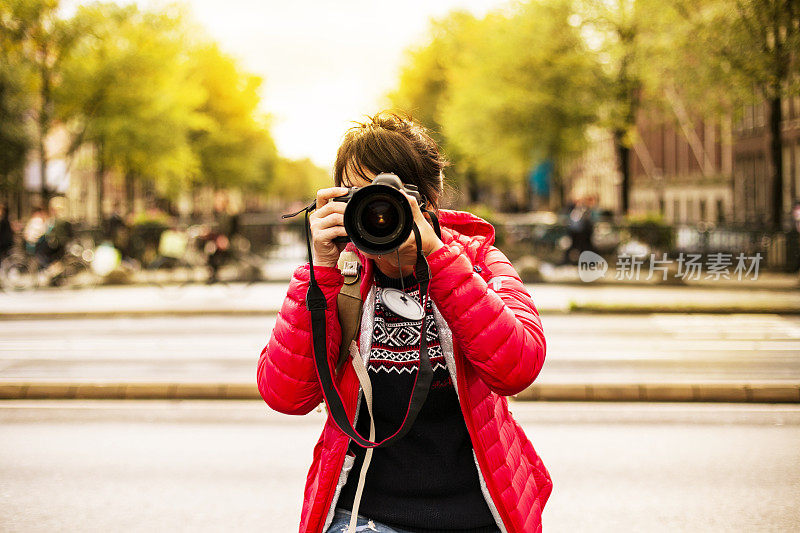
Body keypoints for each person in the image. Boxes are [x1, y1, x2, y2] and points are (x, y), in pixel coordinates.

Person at [257, 112, 552, 533]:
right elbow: (285, 395)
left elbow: (517, 368)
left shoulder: (478, 262)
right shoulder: (340, 275)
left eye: (388, 195)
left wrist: (439, 259)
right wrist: (320, 271)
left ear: (429, 201)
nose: (377, 211)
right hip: (364, 515)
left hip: (478, 513)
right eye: (357, 195)